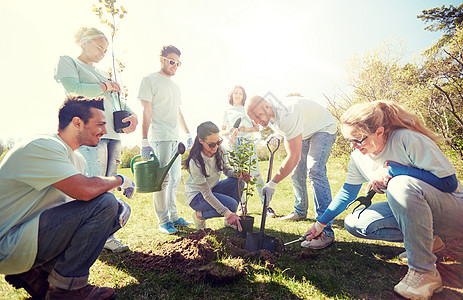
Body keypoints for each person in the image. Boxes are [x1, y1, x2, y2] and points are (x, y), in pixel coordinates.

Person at [303, 100, 463, 299]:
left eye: (358, 139)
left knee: (400, 184)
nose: (353, 146)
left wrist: (393, 170)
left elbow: (448, 183)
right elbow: (347, 192)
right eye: (348, 141)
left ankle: (424, 272)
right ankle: (428, 242)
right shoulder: (358, 157)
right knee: (355, 223)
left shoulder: (407, 139)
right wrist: (320, 224)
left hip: (454, 211)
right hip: (423, 212)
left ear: (379, 132)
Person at [0, 94, 135, 300]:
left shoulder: (76, 158)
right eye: (100, 124)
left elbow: (80, 206)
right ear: (77, 123)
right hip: (7, 242)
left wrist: (114, 209)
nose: (105, 131)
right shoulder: (44, 145)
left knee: (110, 208)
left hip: (27, 236)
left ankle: (36, 275)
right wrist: (119, 179)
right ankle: (66, 291)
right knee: (105, 204)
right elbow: (85, 190)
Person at [54, 27, 138, 252]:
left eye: (105, 49)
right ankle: (85, 237)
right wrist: (105, 86)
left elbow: (116, 101)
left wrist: (132, 114)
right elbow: (73, 90)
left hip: (113, 133)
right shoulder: (69, 61)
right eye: (99, 47)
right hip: (91, 134)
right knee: (93, 182)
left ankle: (105, 235)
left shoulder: (103, 74)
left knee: (108, 184)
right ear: (83, 42)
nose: (103, 52)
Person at [245, 94, 338, 249]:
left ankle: (326, 232)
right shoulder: (273, 114)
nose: (256, 121)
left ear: (267, 106)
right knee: (296, 172)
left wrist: (273, 183)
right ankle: (300, 211)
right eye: (252, 118)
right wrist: (278, 134)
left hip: (323, 128)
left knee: (315, 169)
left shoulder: (287, 113)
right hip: (306, 130)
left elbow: (293, 156)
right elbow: (285, 130)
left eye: (258, 115)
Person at [138, 45, 193, 234]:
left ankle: (174, 216)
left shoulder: (175, 86)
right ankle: (163, 221)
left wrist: (187, 134)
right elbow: (146, 111)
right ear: (161, 59)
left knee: (176, 178)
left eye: (178, 63)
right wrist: (144, 140)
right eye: (171, 61)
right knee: (162, 180)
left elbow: (178, 112)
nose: (175, 66)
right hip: (159, 137)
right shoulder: (149, 80)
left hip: (173, 138)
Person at [221, 86, 275, 217]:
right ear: (231, 95)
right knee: (239, 176)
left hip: (247, 144)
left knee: (255, 174)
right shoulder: (227, 111)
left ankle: (266, 206)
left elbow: (256, 128)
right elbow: (222, 131)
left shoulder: (247, 110)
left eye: (240, 93)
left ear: (244, 96)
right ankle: (242, 206)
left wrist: (244, 128)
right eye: (235, 93)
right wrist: (232, 131)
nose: (238, 95)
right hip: (233, 145)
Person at [183, 121, 243, 231]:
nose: (215, 147)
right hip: (197, 197)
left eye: (218, 142)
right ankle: (200, 215)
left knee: (239, 181)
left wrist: (239, 174)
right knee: (232, 206)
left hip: (212, 188)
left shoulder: (220, 151)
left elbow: (226, 171)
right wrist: (226, 212)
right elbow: (206, 194)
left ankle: (229, 221)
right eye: (211, 144)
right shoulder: (195, 162)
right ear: (201, 141)